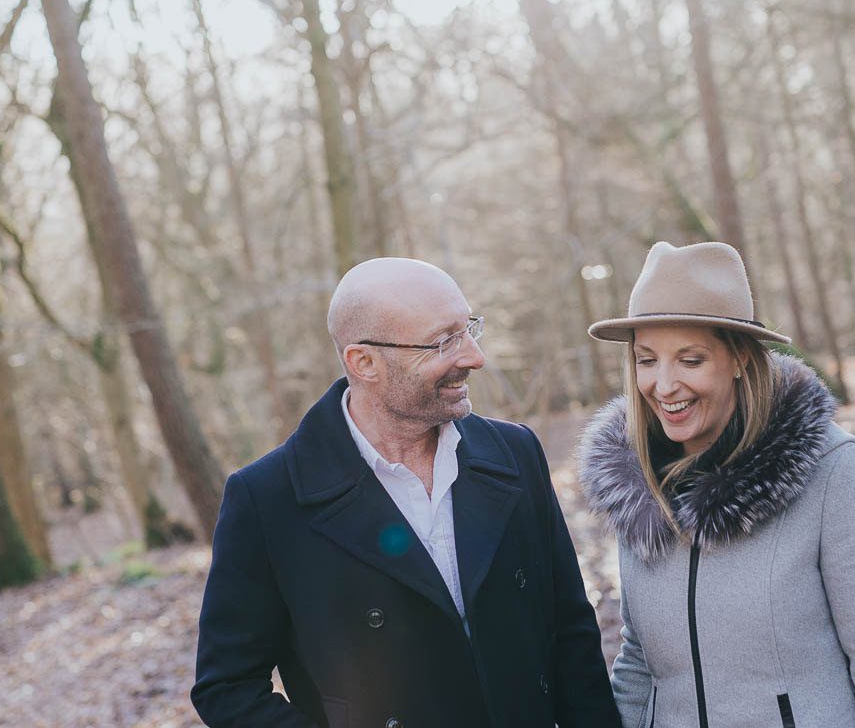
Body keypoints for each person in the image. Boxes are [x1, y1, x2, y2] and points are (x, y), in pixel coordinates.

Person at [192, 258, 620, 728]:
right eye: (443, 341)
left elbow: (571, 633)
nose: (474, 356)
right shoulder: (267, 498)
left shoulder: (514, 452)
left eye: (469, 328)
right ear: (365, 362)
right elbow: (227, 688)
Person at [577, 241, 855, 728]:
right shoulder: (638, 488)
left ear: (740, 357)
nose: (663, 384)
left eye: (690, 360)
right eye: (646, 359)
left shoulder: (834, 473)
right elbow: (641, 663)